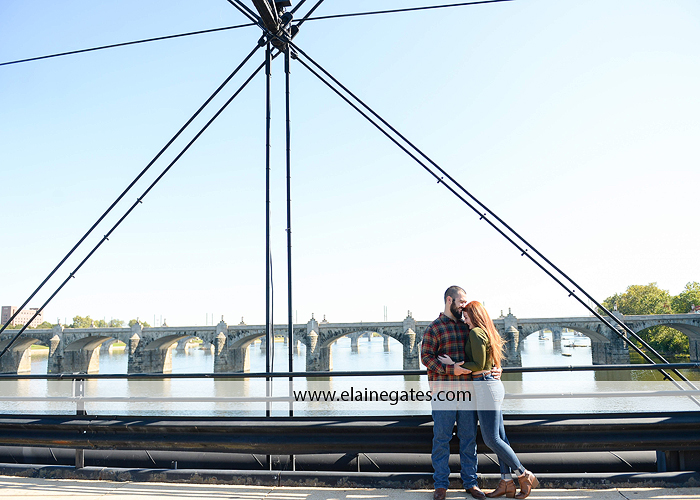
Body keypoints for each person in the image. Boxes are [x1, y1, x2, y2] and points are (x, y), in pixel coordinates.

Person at [439, 301, 538, 499]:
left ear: (475, 316)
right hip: (491, 385)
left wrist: (454, 364)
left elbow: (478, 364)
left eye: (467, 317)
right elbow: (488, 362)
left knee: (491, 439)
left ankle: (523, 474)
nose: (465, 320)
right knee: (501, 438)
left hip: (485, 386)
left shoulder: (476, 333)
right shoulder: (487, 332)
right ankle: (506, 482)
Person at [421, 286, 501, 500]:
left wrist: (497, 367)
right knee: (441, 439)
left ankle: (471, 483)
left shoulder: (469, 326)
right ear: (450, 300)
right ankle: (440, 485)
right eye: (462, 301)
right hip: (443, 393)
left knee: (468, 439)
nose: (465, 305)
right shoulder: (434, 328)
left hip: (468, 392)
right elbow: (426, 358)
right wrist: (450, 369)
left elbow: (487, 350)